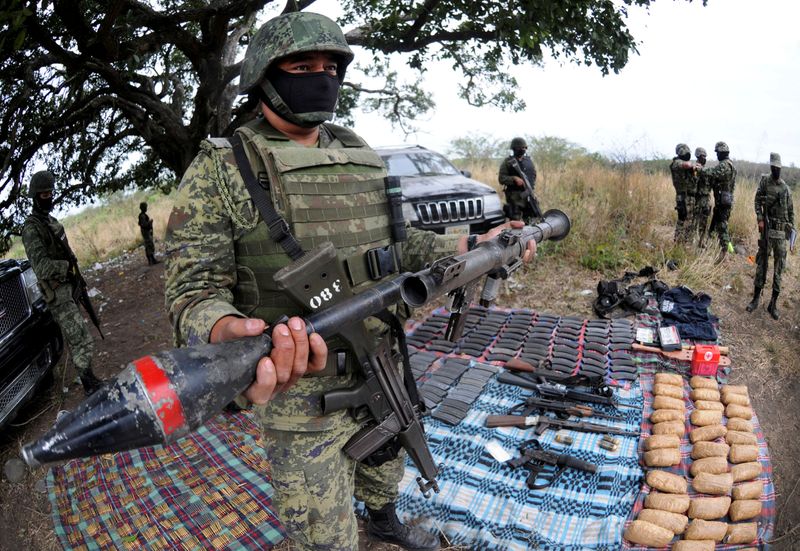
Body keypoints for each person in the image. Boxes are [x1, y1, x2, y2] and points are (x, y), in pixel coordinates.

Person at [163, 12, 534, 551]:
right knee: (323, 536)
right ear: (265, 77)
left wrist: (474, 247)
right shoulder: (224, 166)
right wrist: (225, 331)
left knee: (386, 467)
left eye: (331, 67)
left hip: (382, 360)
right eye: (302, 65)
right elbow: (192, 292)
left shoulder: (358, 151)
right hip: (303, 394)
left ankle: (384, 522)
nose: (321, 76)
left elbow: (401, 247)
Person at [21, 170, 103, 396]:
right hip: (57, 293)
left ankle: (90, 379)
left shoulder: (50, 221)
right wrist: (65, 267)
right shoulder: (31, 229)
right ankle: (89, 386)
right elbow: (41, 267)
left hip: (68, 287)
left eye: (50, 193)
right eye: (44, 194)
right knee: (79, 337)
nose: (49, 197)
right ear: (35, 197)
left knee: (81, 335)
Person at [746, 153, 794, 319]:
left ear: (781, 167)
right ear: (771, 167)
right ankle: (755, 299)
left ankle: (773, 304)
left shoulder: (786, 189)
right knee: (762, 264)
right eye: (773, 167)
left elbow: (791, 212)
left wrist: (791, 233)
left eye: (778, 168)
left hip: (780, 234)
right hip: (766, 230)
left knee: (779, 268)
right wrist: (760, 219)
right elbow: (757, 201)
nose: (775, 170)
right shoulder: (765, 182)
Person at [703, 141, 737, 252]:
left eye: (717, 153)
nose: (717, 155)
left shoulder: (724, 165)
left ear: (722, 153)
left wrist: (700, 169)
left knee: (722, 227)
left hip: (723, 201)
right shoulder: (731, 165)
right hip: (725, 200)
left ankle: (726, 251)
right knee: (715, 226)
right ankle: (717, 248)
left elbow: (712, 173)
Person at [498, 137, 539, 223]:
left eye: (525, 148)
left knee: (532, 219)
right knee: (515, 222)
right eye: (520, 148)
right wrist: (514, 179)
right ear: (514, 149)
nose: (523, 150)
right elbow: (501, 178)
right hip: (514, 197)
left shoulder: (529, 161)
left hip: (529, 195)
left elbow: (533, 174)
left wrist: (530, 188)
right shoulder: (508, 162)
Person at [669, 143, 697, 243]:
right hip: (683, 197)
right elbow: (687, 165)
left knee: (688, 220)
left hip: (688, 197)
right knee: (683, 219)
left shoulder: (683, 163)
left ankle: (684, 242)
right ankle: (678, 242)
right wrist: (694, 166)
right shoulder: (677, 162)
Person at [693, 147, 713, 247]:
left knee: (704, 222)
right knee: (694, 222)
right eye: (701, 156)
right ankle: (691, 241)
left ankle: (701, 242)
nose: (703, 158)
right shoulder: (695, 169)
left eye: (705, 156)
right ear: (697, 156)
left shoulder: (706, 170)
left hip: (706, 199)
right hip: (697, 199)